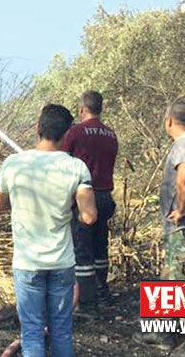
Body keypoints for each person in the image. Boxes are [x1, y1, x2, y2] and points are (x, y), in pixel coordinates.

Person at [0, 104, 98, 357]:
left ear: (38, 128)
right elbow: (89, 216)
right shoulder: (76, 167)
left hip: (27, 264)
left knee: (31, 332)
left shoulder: (13, 163)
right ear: (66, 134)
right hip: (61, 262)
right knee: (61, 330)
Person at [133, 99, 185, 357]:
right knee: (171, 276)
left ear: (169, 120)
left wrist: (182, 208)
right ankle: (161, 331)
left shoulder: (184, 144)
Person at [61, 90, 118, 314]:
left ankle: (86, 302)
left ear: (82, 109)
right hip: (105, 197)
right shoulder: (111, 134)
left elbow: (63, 162)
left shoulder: (75, 132)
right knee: (100, 246)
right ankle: (102, 291)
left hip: (85, 197)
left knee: (82, 250)